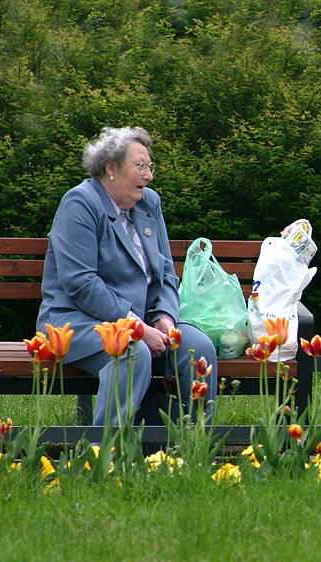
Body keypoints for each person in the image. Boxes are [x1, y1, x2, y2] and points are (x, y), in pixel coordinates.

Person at [37, 126, 217, 426]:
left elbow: (167, 275)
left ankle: (194, 449)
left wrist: (164, 317)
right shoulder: (80, 204)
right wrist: (137, 327)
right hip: (76, 320)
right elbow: (81, 284)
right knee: (130, 352)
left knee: (199, 347)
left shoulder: (149, 204)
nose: (149, 176)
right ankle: (105, 453)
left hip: (145, 318)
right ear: (111, 168)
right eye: (141, 167)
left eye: (150, 166)